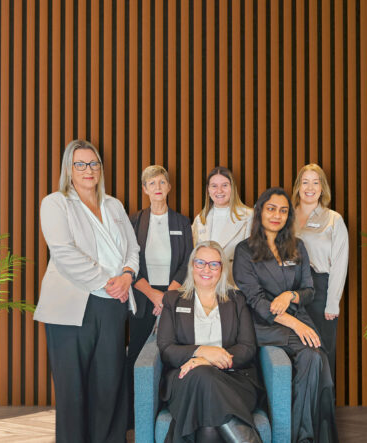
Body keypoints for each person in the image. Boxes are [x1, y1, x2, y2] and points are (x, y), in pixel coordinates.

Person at [36, 140, 139, 443]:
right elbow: (64, 252)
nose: (88, 170)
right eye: (80, 164)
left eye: (93, 163)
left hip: (113, 306)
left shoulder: (114, 205)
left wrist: (127, 275)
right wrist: (109, 281)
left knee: (109, 385)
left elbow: (133, 248)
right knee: (73, 390)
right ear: (69, 169)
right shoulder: (56, 203)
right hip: (72, 307)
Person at [233, 187, 338, 443]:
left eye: (283, 210)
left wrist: (290, 296)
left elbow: (309, 290)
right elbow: (256, 301)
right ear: (260, 212)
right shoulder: (244, 251)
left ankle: (301, 437)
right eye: (271, 209)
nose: (277, 215)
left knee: (316, 359)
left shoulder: (297, 246)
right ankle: (308, 437)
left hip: (298, 320)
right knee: (316, 356)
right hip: (263, 325)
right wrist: (294, 324)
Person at [158, 241, 263, 443]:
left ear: (222, 268)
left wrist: (209, 360)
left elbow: (247, 348)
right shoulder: (173, 299)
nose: (207, 269)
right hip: (185, 379)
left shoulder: (236, 299)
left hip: (234, 379)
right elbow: (166, 349)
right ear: (192, 266)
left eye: (214, 264)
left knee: (208, 424)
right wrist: (202, 350)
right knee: (202, 376)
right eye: (200, 263)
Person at [125, 165, 193, 424]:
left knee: (170, 354)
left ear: (169, 187)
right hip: (143, 298)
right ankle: (135, 418)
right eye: (151, 183)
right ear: (144, 189)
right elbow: (129, 261)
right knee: (138, 357)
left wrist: (166, 298)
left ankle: (168, 413)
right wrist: (154, 295)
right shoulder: (134, 221)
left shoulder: (181, 221)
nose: (157, 187)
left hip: (173, 298)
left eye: (161, 182)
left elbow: (188, 261)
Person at [291, 164, 349, 376]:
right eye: (305, 182)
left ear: (322, 188)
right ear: (298, 187)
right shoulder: (286, 217)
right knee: (296, 350)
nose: (310, 187)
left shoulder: (333, 219)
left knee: (321, 350)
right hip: (290, 289)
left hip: (320, 291)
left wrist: (332, 302)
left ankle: (322, 409)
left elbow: (340, 264)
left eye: (316, 182)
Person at [192, 167, 252, 267]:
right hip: (207, 279)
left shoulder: (248, 216)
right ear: (208, 189)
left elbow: (251, 257)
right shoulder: (200, 219)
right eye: (214, 186)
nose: (219, 190)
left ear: (232, 187)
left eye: (224, 185)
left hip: (234, 279)